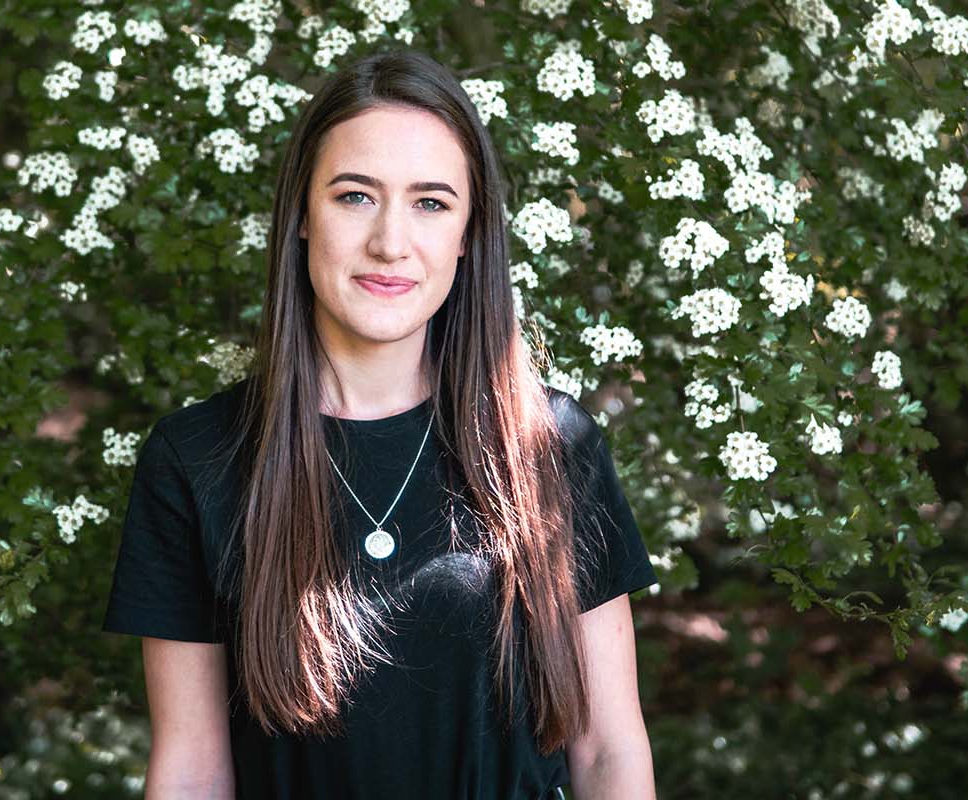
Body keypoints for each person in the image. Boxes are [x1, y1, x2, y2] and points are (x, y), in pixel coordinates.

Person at [102, 49, 658, 799]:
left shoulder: (551, 447)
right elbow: (194, 772)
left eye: (431, 203)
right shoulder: (197, 457)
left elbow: (608, 751)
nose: (391, 242)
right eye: (355, 196)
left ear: (468, 234)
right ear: (302, 214)